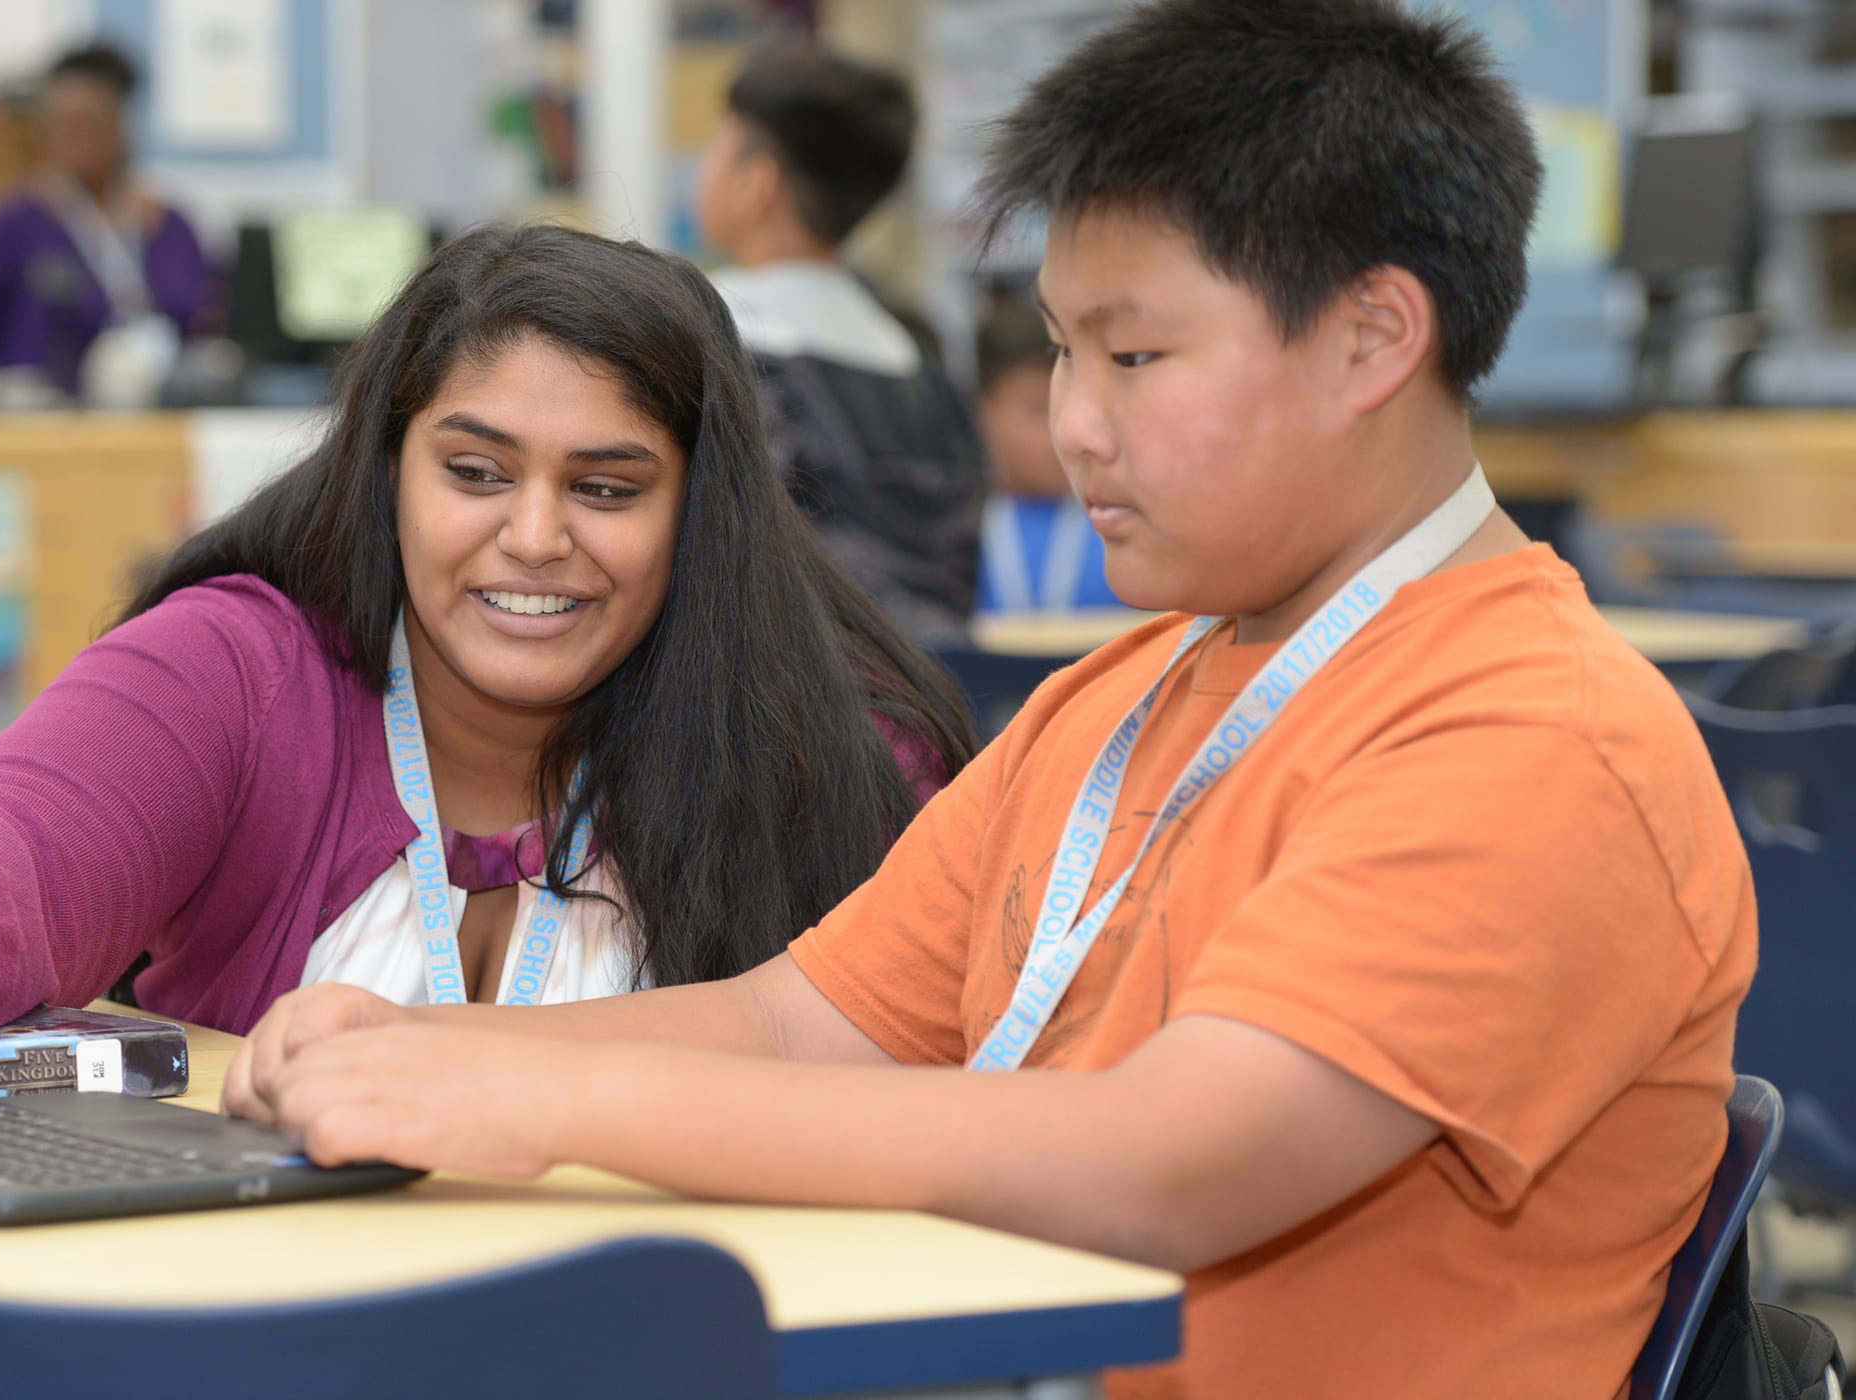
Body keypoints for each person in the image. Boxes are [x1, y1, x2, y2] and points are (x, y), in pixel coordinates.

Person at [221, 4, 1759, 1396]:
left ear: (1373, 337)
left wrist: (551, 1112)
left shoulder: (1531, 739)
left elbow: (1162, 1165)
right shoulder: (1125, 694)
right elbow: (799, 1025)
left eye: (1137, 355)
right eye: (1059, 353)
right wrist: (439, 1051)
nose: (1075, 424)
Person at [0, 222, 975, 1038]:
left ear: (700, 514)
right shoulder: (238, 668)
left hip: (678, 1326)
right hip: (266, 1322)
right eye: (474, 472)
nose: (536, 535)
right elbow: (1, 859)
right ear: (388, 471)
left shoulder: (842, 759)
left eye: (605, 488)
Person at [694, 44, 988, 646]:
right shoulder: (926, 370)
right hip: (934, 709)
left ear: (756, 185)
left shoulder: (710, 335)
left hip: (776, 713)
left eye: (714, 150)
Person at [0, 41, 213, 403]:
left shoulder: (172, 226)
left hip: (159, 420)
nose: (77, 139)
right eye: (62, 125)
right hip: (40, 425)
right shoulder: (13, 224)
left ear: (121, 126)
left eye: (91, 124)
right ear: (41, 132)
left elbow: (206, 325)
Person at [971, 299, 1121, 614]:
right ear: (982, 413)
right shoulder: (953, 535)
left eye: (1074, 405)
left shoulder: (1121, 528)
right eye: (1037, 410)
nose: (1062, 430)